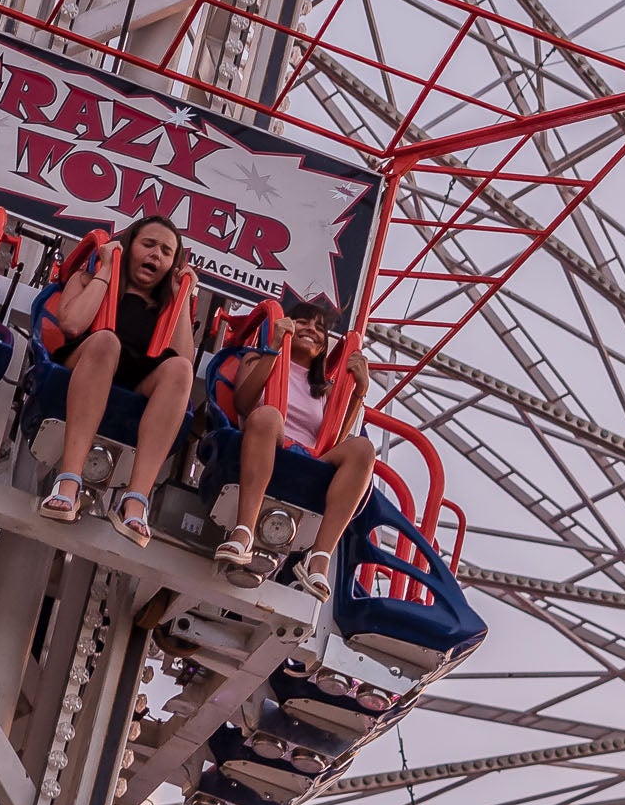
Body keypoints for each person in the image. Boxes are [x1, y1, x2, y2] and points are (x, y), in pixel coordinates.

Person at [35, 214, 197, 546]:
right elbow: (73, 325)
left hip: (137, 378)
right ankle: (69, 482)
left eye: (166, 252)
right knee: (107, 341)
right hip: (87, 359)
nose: (156, 255)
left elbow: (183, 360)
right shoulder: (88, 278)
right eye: (148, 244)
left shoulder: (167, 305)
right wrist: (108, 270)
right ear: (129, 246)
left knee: (180, 371)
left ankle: (136, 500)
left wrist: (182, 299)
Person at [215, 302, 375, 598]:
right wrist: (274, 347)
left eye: (320, 328)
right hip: (267, 441)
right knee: (268, 414)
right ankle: (244, 531)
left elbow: (335, 439)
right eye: (302, 322)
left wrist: (359, 392)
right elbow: (243, 402)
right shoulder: (255, 358)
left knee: (363, 449)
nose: (311, 330)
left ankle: (319, 559)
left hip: (310, 457)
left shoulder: (322, 388)